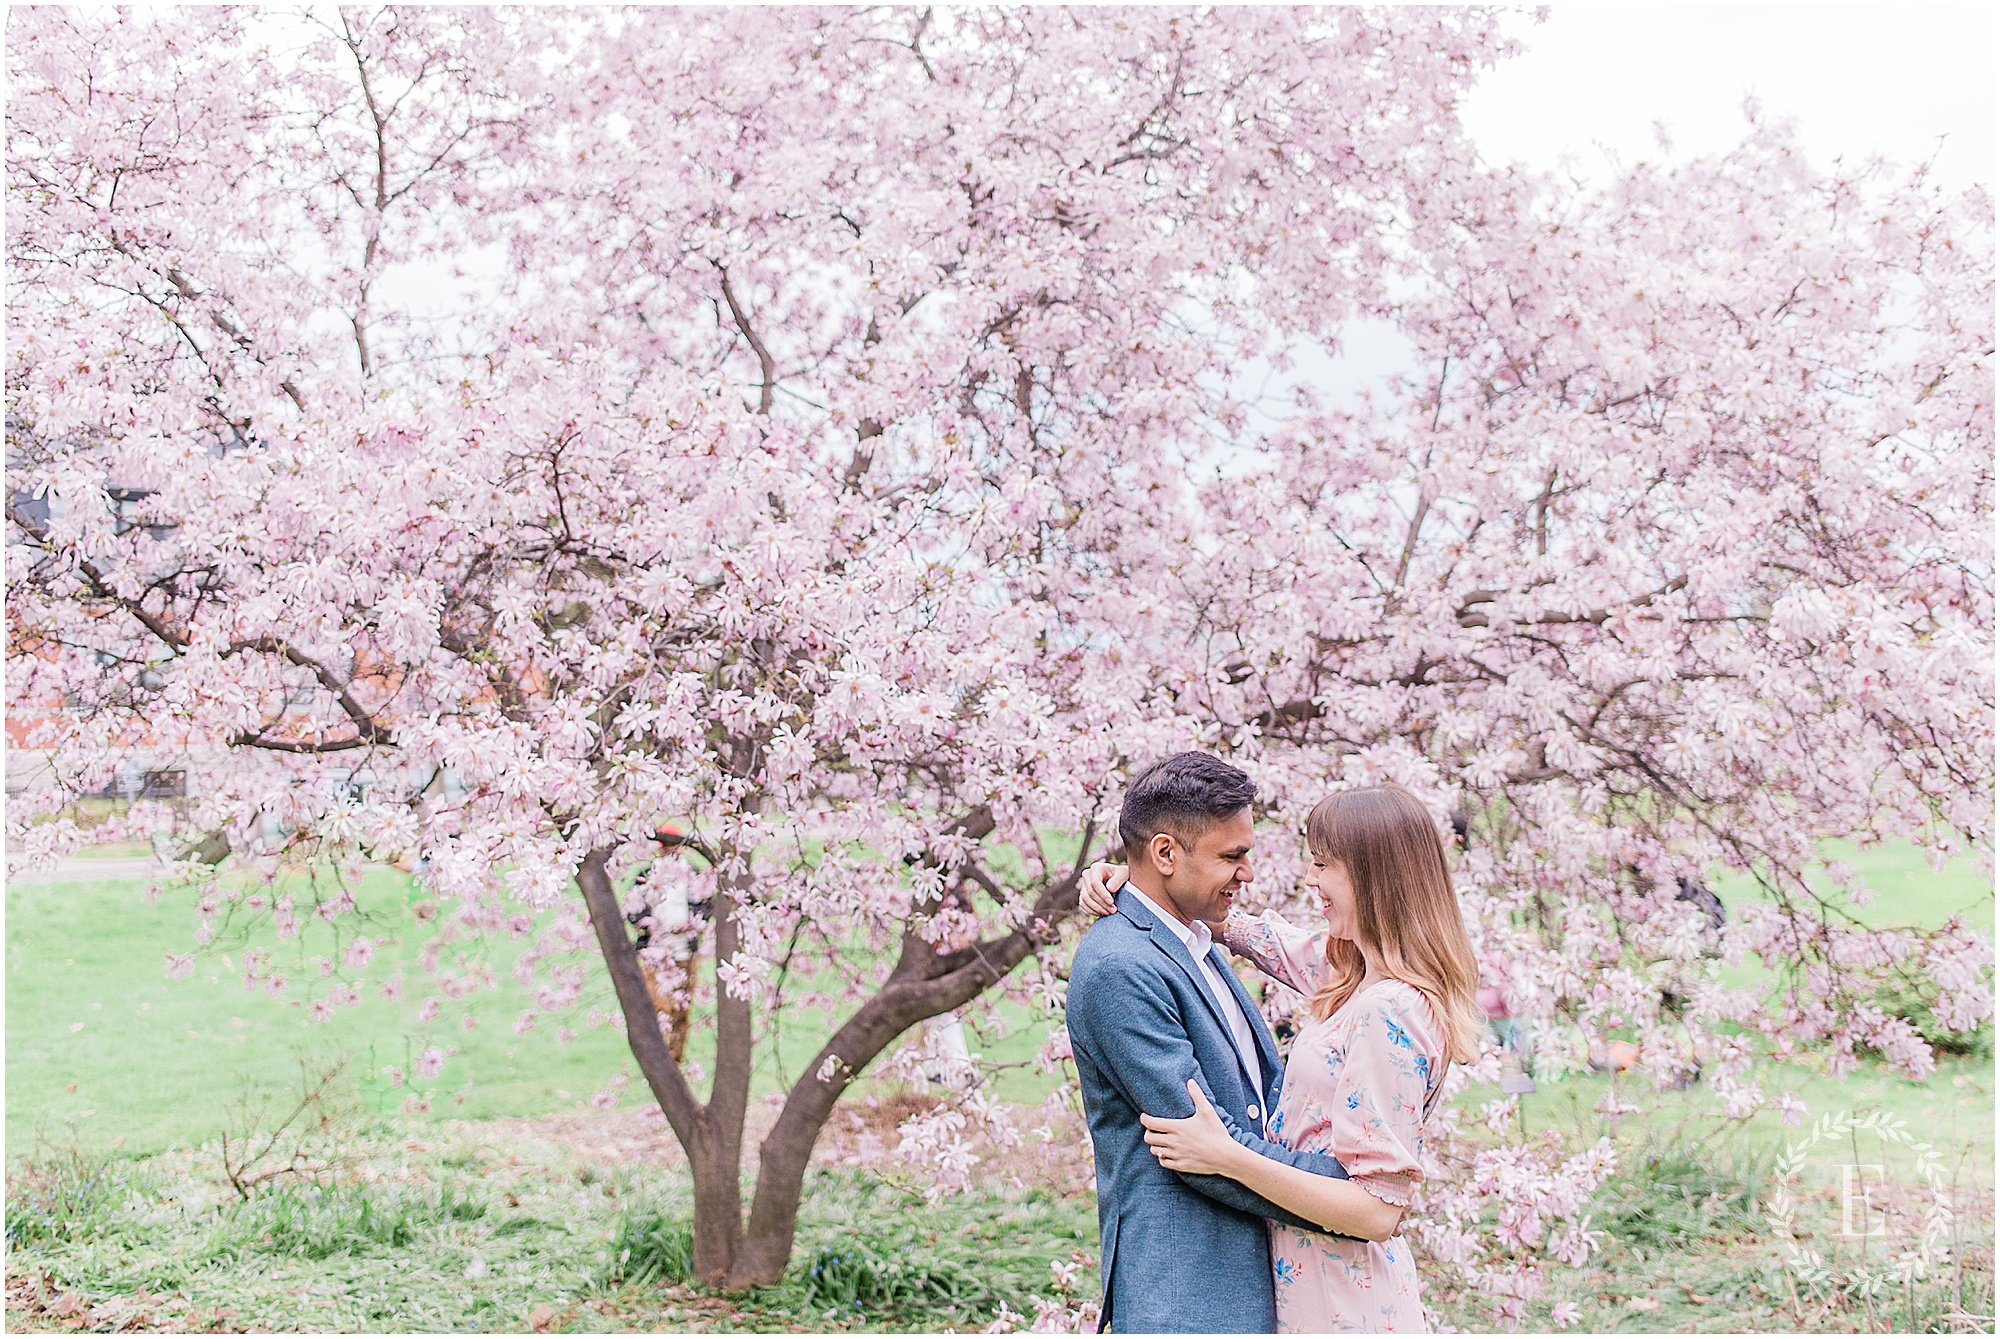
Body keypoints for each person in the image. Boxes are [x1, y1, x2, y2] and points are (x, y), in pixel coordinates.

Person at [1079, 784, 1484, 1333]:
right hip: (1304, 1279)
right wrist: (1140, 882)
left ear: (1373, 876)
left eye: (1322, 865)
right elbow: (1244, 933)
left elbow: (1378, 1208)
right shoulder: (1351, 972)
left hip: (1341, 1299)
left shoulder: (1390, 1008)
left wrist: (1227, 1155)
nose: (1309, 879)